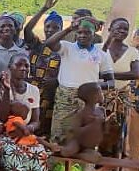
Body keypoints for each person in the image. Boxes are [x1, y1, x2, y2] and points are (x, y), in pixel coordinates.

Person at [0, 53, 50, 171]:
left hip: (25, 133)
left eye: (26, 66)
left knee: (40, 152)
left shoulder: (33, 90)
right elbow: (2, 117)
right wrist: (7, 89)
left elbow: (36, 120)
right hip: (3, 132)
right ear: (10, 67)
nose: (23, 68)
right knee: (12, 153)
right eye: (19, 65)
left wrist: (28, 128)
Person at [46, 16, 114, 144]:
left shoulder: (101, 54)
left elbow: (111, 82)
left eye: (87, 32)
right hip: (65, 100)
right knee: (59, 135)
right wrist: (69, 28)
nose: (82, 35)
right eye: (79, 32)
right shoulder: (67, 48)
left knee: (84, 139)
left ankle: (82, 164)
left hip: (88, 101)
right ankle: (56, 162)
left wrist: (93, 87)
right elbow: (49, 43)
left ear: (94, 35)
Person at [96, 17, 139, 171]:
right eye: (118, 28)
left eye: (125, 29)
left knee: (120, 141)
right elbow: (93, 67)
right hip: (98, 98)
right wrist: (115, 76)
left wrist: (110, 76)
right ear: (109, 29)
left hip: (120, 100)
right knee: (95, 137)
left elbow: (136, 73)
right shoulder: (99, 49)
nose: (121, 32)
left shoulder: (132, 52)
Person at [23, 0, 62, 135]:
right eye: (48, 26)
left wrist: (56, 81)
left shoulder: (64, 50)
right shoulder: (37, 45)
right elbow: (27, 30)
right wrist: (44, 9)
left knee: (46, 129)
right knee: (29, 126)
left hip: (52, 95)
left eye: (55, 27)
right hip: (33, 93)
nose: (50, 30)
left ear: (61, 29)